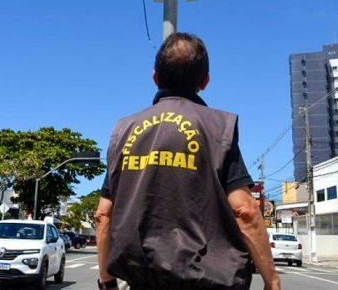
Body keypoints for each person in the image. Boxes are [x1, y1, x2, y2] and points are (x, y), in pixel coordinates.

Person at [95, 33, 281, 290]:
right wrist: (271, 281)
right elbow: (245, 211)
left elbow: (103, 215)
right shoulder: (218, 129)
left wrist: (107, 283)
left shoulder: (125, 131)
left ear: (155, 77)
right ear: (205, 81)